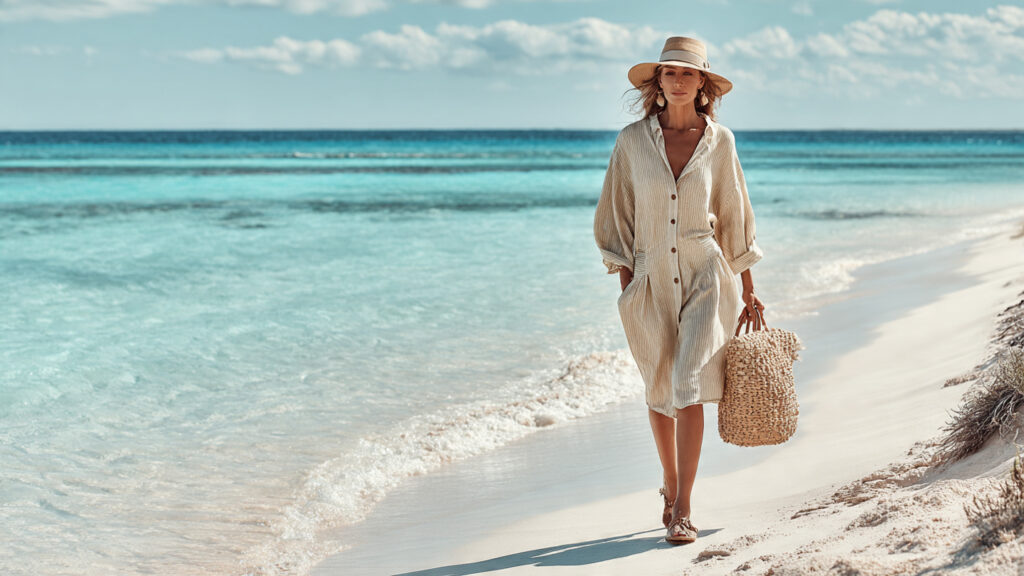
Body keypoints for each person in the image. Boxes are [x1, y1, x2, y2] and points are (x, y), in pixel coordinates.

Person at [593, 36, 766, 545]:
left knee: (689, 383)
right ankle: (669, 486)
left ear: (703, 84)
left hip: (707, 273)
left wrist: (750, 287)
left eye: (688, 73)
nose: (678, 79)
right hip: (648, 280)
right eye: (669, 72)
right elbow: (615, 214)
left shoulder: (721, 142)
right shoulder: (630, 142)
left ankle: (684, 507)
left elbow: (735, 215)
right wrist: (628, 284)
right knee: (660, 385)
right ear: (659, 82)